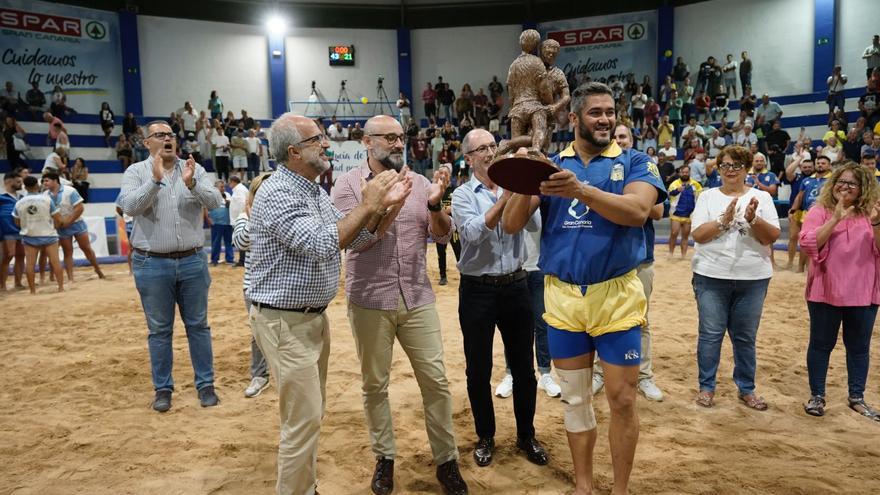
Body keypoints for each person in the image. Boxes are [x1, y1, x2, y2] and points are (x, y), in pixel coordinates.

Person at [502, 82, 665, 494]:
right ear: (573, 118)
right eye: (596, 112)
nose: (606, 119)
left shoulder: (636, 161)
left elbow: (639, 211)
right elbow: (511, 224)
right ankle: (584, 486)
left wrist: (580, 190)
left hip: (617, 297)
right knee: (576, 401)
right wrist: (527, 178)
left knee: (623, 400)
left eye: (611, 112)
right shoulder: (551, 166)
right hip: (563, 299)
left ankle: (621, 490)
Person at [247, 113, 408, 495]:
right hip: (285, 323)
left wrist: (385, 206)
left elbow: (353, 238)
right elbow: (323, 245)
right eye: (317, 139)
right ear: (293, 152)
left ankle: (306, 485)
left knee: (309, 415)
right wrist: (369, 202)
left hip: (308, 320)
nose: (327, 144)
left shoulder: (312, 190)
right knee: (301, 422)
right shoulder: (277, 193)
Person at [331, 115, 467, 495]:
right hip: (370, 299)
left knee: (436, 382)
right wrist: (389, 207)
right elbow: (354, 242)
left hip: (417, 297)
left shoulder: (421, 182)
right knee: (375, 384)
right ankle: (384, 458)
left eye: (400, 137)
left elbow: (441, 238)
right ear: (366, 141)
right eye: (388, 137)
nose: (396, 143)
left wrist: (437, 206)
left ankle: (446, 461)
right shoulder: (347, 185)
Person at [451, 128, 549, 469]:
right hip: (477, 289)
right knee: (478, 369)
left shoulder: (516, 189)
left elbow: (532, 226)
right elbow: (473, 234)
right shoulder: (462, 195)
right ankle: (486, 436)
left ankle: (526, 435)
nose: (490, 152)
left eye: (493, 145)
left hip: (516, 285)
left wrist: (522, 194)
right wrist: (508, 197)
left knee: (524, 367)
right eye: (482, 148)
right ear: (469, 157)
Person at [118, 120, 224, 413]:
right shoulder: (135, 172)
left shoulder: (194, 168)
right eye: (160, 135)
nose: (167, 139)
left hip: (192, 260)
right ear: (147, 142)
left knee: (198, 327)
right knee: (159, 331)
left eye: (170, 135)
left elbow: (215, 201)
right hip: (152, 263)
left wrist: (191, 183)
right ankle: (163, 389)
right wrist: (153, 182)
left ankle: (206, 385)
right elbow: (129, 207)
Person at [690, 145, 781, 410]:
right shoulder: (707, 197)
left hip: (752, 277)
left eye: (737, 165)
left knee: (744, 336)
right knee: (710, 334)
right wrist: (723, 220)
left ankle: (746, 388)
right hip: (710, 274)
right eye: (725, 165)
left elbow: (771, 237)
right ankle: (707, 387)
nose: (730, 170)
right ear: (718, 169)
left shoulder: (761, 199)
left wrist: (753, 219)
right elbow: (698, 234)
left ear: (747, 168)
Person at [799, 162, 880, 420]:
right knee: (821, 345)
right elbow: (809, 244)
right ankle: (817, 396)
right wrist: (835, 218)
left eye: (851, 183)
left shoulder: (873, 214)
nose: (844, 187)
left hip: (864, 292)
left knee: (858, 347)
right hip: (825, 289)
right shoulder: (819, 211)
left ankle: (857, 397)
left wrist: (877, 223)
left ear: (863, 188)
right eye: (840, 182)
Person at [230, 172, 272, 398]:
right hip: (254, 287)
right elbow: (241, 242)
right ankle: (260, 374)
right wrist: (253, 218)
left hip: (281, 286)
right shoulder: (244, 218)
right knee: (258, 333)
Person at [41, 172, 104, 282]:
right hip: (61, 226)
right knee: (67, 251)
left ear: (55, 180)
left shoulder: (70, 190)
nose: (44, 183)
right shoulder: (45, 195)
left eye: (47, 180)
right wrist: (58, 224)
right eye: (43, 181)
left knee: (86, 249)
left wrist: (68, 222)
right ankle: (70, 278)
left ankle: (98, 270)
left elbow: (80, 208)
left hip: (76, 223)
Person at [13, 176, 64, 294]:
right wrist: (56, 226)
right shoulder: (47, 200)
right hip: (48, 235)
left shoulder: (19, 203)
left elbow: (16, 222)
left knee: (30, 264)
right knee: (55, 261)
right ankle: (61, 287)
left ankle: (32, 290)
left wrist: (27, 226)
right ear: (37, 185)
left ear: (25, 187)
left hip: (30, 236)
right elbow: (58, 218)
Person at [785, 156, 815, 270]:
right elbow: (788, 171)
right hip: (796, 210)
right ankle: (790, 262)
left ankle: (805, 264)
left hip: (810, 211)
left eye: (809, 167)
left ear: (814, 167)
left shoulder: (817, 178)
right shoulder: (796, 177)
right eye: (805, 167)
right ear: (800, 168)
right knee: (793, 237)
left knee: (806, 239)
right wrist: (800, 158)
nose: (807, 169)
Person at [668, 164, 703, 258]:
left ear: (689, 172)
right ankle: (670, 253)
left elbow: (701, 197)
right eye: (683, 172)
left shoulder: (696, 184)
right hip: (676, 213)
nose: (685, 174)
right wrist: (677, 190)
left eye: (686, 172)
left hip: (689, 215)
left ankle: (683, 255)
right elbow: (669, 194)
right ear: (680, 173)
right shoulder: (674, 184)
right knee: (674, 233)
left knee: (685, 236)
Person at [0, 172, 25, 291]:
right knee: (8, 256)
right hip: (7, 232)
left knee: (21, 255)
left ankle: (18, 283)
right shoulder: (1, 197)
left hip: (22, 231)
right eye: (18, 182)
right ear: (9, 182)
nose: (21, 184)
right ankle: (2, 285)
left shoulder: (22, 197)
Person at [205, 180, 234, 266]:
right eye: (221, 187)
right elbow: (205, 207)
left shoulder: (227, 195)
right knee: (216, 242)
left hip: (227, 222)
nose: (223, 188)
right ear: (216, 187)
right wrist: (208, 219)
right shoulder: (211, 195)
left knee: (228, 242)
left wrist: (228, 203)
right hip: (216, 223)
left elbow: (231, 206)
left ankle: (229, 259)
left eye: (224, 186)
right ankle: (214, 260)